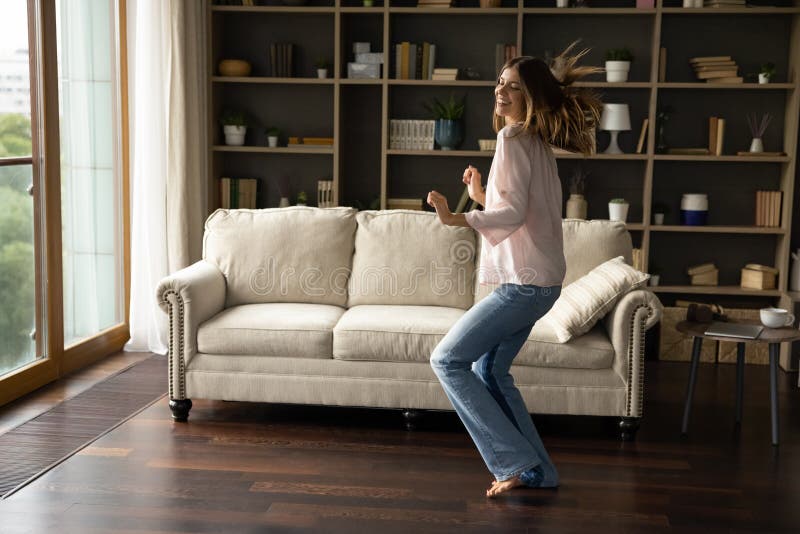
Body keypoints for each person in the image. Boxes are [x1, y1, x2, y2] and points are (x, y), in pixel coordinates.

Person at [426, 42, 603, 498]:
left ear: (531, 98)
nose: (501, 92)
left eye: (514, 87)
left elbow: (511, 215)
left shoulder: (512, 139)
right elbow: (522, 211)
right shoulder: (535, 142)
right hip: (542, 283)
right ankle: (540, 471)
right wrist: (482, 194)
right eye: (500, 83)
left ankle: (514, 461)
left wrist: (456, 217)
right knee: (491, 371)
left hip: (523, 285)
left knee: (447, 360)